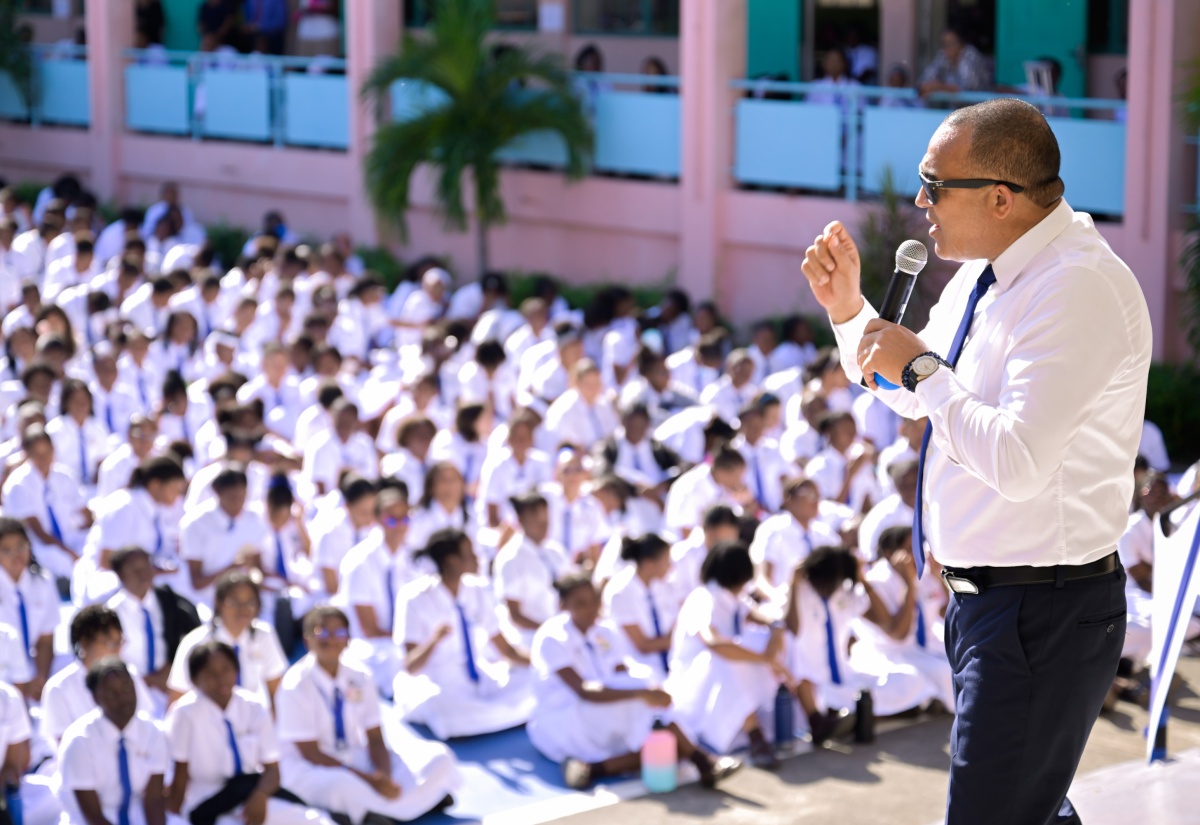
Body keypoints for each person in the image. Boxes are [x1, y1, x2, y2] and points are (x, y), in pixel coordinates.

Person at [801, 97, 1151, 824]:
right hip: (991, 604)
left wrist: (925, 367)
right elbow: (919, 395)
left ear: (1000, 197)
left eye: (935, 184)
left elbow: (1015, 458)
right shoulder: (992, 267)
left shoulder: (1076, 285)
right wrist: (849, 313)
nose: (921, 200)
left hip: (1041, 609)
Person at [528, 572, 741, 790]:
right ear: (563, 605)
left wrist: (649, 689)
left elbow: (621, 673)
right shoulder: (552, 637)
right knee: (652, 716)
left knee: (664, 742)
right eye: (581, 604)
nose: (591, 608)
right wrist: (641, 693)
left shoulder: (604, 631)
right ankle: (703, 760)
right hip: (568, 715)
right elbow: (583, 690)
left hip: (605, 709)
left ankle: (592, 769)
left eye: (594, 601)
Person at [274, 607, 460, 824]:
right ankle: (415, 804)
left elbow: (374, 736)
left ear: (349, 640)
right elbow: (310, 753)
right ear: (307, 640)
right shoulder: (294, 684)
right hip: (312, 768)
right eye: (322, 632)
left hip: (355, 757)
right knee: (341, 786)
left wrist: (384, 776)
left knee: (438, 756)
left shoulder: (360, 674)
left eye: (340, 633)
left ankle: (378, 812)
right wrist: (370, 781)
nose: (331, 639)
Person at [165, 641, 335, 825]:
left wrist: (260, 796)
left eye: (226, 669)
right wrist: (173, 815)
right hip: (207, 798)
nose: (221, 678)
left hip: (249, 791)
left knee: (314, 821)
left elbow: (272, 770)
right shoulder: (184, 713)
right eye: (211, 674)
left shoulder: (252, 706)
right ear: (195, 680)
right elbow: (179, 775)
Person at [393, 529, 535, 739]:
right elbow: (411, 666)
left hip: (479, 678)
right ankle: (493, 718)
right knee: (439, 705)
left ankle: (485, 719)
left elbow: (506, 650)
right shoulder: (413, 597)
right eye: (470, 553)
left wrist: (544, 663)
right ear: (452, 561)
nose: (478, 557)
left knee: (533, 681)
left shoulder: (478, 589)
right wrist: (434, 641)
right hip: (438, 684)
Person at [666, 541, 787, 768]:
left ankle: (769, 721)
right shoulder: (703, 598)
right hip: (694, 685)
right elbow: (714, 642)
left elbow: (759, 616)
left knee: (754, 643)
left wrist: (776, 628)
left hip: (721, 684)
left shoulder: (733, 596)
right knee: (726, 657)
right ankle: (755, 735)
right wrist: (763, 658)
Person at [55, 659, 183, 825]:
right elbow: (93, 816)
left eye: (128, 689)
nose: (123, 699)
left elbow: (153, 802)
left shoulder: (153, 732)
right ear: (95, 698)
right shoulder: (79, 741)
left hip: (137, 816)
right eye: (111, 693)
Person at [167, 572, 288, 707]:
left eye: (251, 602)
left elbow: (276, 693)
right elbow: (177, 699)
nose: (244, 609)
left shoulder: (264, 635)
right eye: (235, 602)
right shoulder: (196, 642)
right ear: (219, 604)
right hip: (206, 720)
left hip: (250, 720)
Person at [41, 605, 156, 746]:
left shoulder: (130, 674)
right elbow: (64, 746)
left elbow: (146, 724)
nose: (118, 650)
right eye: (110, 644)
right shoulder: (57, 688)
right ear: (84, 644)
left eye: (120, 642)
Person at [107, 546, 202, 702]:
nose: (142, 574)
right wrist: (141, 681)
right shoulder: (111, 612)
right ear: (120, 574)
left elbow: (192, 636)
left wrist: (172, 667)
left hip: (167, 685)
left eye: (146, 567)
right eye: (134, 569)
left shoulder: (170, 601)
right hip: (129, 689)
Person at [493, 492, 574, 649]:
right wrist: (549, 632)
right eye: (537, 521)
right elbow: (515, 615)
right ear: (522, 521)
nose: (543, 526)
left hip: (564, 635)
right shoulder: (510, 558)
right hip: (529, 640)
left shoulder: (556, 551)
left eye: (546, 520)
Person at [602, 534, 680, 682]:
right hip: (638, 672)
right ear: (650, 563)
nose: (671, 566)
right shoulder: (620, 591)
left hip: (670, 665)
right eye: (666, 560)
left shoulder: (662, 585)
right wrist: (682, 637)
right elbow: (643, 645)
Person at [0, 518, 58, 701]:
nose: (17, 555)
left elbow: (46, 640)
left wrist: (40, 677)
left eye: (21, 546)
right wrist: (19, 684)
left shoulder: (43, 582)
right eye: (6, 550)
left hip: (32, 671)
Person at [917, 29, 991, 98]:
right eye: (944, 44)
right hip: (959, 108)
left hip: (981, 107)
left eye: (951, 43)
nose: (948, 47)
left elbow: (965, 88)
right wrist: (929, 86)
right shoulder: (943, 55)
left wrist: (937, 87)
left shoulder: (970, 55)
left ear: (961, 43)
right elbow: (925, 80)